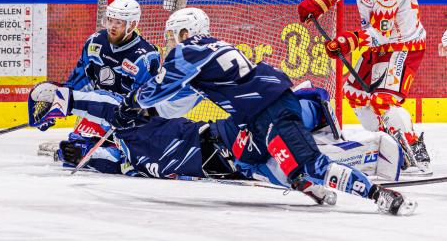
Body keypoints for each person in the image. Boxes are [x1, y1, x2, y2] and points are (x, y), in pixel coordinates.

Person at [106, 7, 416, 215]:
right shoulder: (216, 46)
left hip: (271, 111)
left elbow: (159, 89)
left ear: (187, 31)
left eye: (175, 34)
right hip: (256, 115)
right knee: (243, 154)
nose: (172, 41)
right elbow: (183, 92)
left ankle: (380, 195)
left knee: (313, 164)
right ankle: (301, 182)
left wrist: (130, 104)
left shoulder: (188, 50)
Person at [29, 81, 404, 206]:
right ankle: (370, 153)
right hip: (238, 168)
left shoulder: (131, 123)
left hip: (222, 139)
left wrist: (61, 98)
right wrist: (69, 152)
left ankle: (324, 114)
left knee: (298, 140)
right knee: (298, 173)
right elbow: (105, 159)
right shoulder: (127, 159)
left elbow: (107, 105)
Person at [298, 0, 430, 175]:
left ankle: (415, 152)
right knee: (354, 94)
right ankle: (389, 147)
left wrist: (348, 42)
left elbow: (382, 31)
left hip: (403, 45)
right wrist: (316, 3)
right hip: (377, 45)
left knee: (384, 100)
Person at [39, 0, 160, 138]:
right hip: (98, 110)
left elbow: (145, 104)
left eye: (118, 22)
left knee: (104, 158)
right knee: (73, 150)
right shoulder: (95, 42)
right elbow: (80, 79)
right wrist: (59, 105)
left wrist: (124, 120)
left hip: (125, 121)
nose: (112, 27)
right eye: (109, 20)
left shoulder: (145, 58)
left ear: (132, 25)